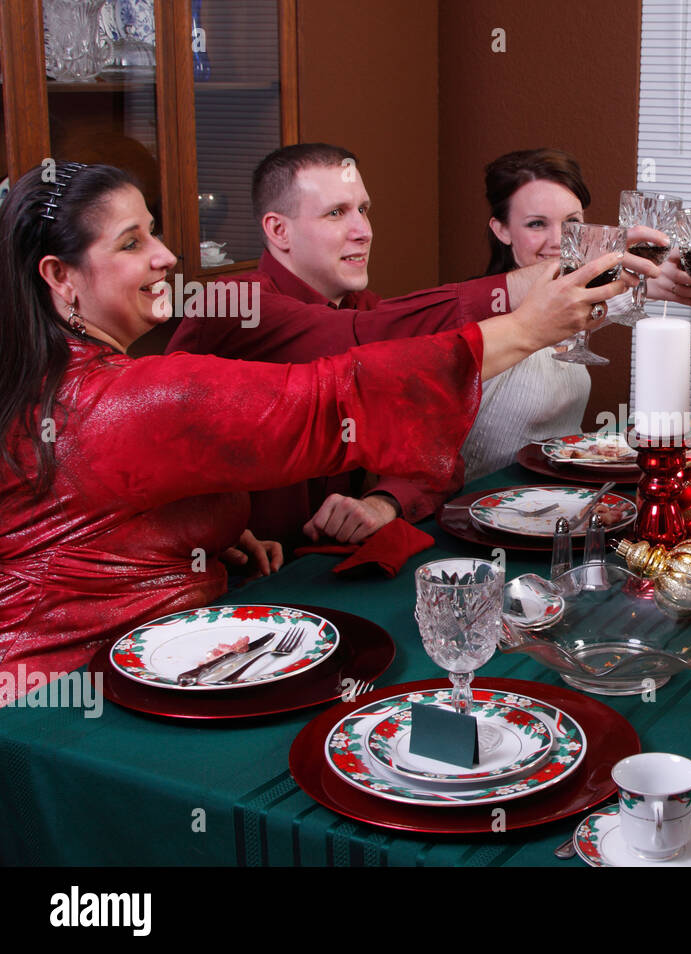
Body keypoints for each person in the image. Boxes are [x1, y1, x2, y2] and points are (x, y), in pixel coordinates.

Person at [0, 161, 623, 703]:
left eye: (155, 232)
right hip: (71, 699)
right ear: (60, 276)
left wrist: (202, 533)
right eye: (132, 243)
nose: (165, 255)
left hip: (157, 653)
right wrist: (524, 328)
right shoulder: (125, 391)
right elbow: (331, 393)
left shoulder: (60, 380)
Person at [166, 144, 557, 549]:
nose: (363, 231)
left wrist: (384, 502)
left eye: (363, 210)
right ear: (278, 230)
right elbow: (355, 338)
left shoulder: (365, 307)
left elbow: (433, 447)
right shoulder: (234, 303)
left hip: (326, 566)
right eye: (336, 213)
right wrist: (521, 291)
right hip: (224, 577)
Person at [459, 148, 670, 481]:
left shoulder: (577, 302)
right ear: (501, 230)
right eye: (537, 224)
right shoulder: (478, 313)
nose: (561, 241)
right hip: (481, 507)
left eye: (572, 222)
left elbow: (627, 290)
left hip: (560, 500)